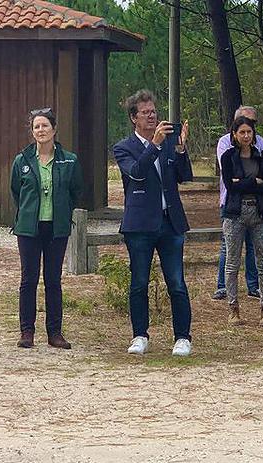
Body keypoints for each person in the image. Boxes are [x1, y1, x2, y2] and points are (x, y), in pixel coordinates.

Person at [111, 89, 194, 357]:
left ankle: (182, 337)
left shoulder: (169, 142)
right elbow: (136, 174)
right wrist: (155, 145)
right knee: (139, 282)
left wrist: (180, 149)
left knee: (176, 282)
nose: (152, 116)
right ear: (133, 118)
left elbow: (184, 177)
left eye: (154, 112)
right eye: (145, 113)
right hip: (140, 224)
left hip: (170, 222)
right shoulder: (123, 147)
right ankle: (139, 335)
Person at [10, 107, 82, 349]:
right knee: (28, 279)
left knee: (53, 280)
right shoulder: (22, 160)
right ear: (32, 132)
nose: (41, 130)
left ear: (54, 129)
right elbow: (16, 192)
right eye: (36, 127)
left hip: (56, 228)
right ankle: (27, 331)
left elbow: (75, 191)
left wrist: (63, 211)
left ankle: (54, 332)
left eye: (45, 126)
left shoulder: (69, 160)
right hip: (29, 229)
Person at [221, 116, 263, 326]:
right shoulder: (228, 157)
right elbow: (230, 185)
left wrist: (246, 182)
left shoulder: (262, 157)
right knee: (232, 262)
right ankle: (233, 308)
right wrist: (255, 181)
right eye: (242, 132)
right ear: (234, 134)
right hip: (235, 213)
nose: (246, 136)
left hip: (259, 211)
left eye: (249, 132)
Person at [211, 105, 263, 301]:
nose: (248, 130)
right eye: (243, 123)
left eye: (252, 123)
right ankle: (222, 286)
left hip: (256, 204)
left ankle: (253, 286)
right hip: (231, 203)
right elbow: (230, 174)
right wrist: (252, 180)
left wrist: (244, 181)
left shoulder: (260, 142)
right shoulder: (224, 143)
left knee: (253, 246)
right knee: (228, 246)